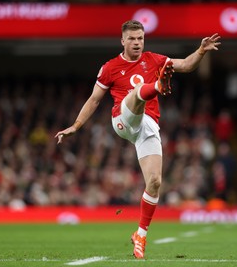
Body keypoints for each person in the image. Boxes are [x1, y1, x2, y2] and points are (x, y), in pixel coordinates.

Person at [55, 20, 221, 259]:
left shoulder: (153, 59)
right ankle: (156, 85)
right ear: (122, 41)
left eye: (140, 38)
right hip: (123, 120)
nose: (137, 43)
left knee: (154, 182)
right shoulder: (110, 67)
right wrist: (75, 126)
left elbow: (185, 64)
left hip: (148, 125)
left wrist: (201, 51)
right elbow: (93, 100)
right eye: (132, 39)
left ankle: (140, 234)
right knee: (136, 94)